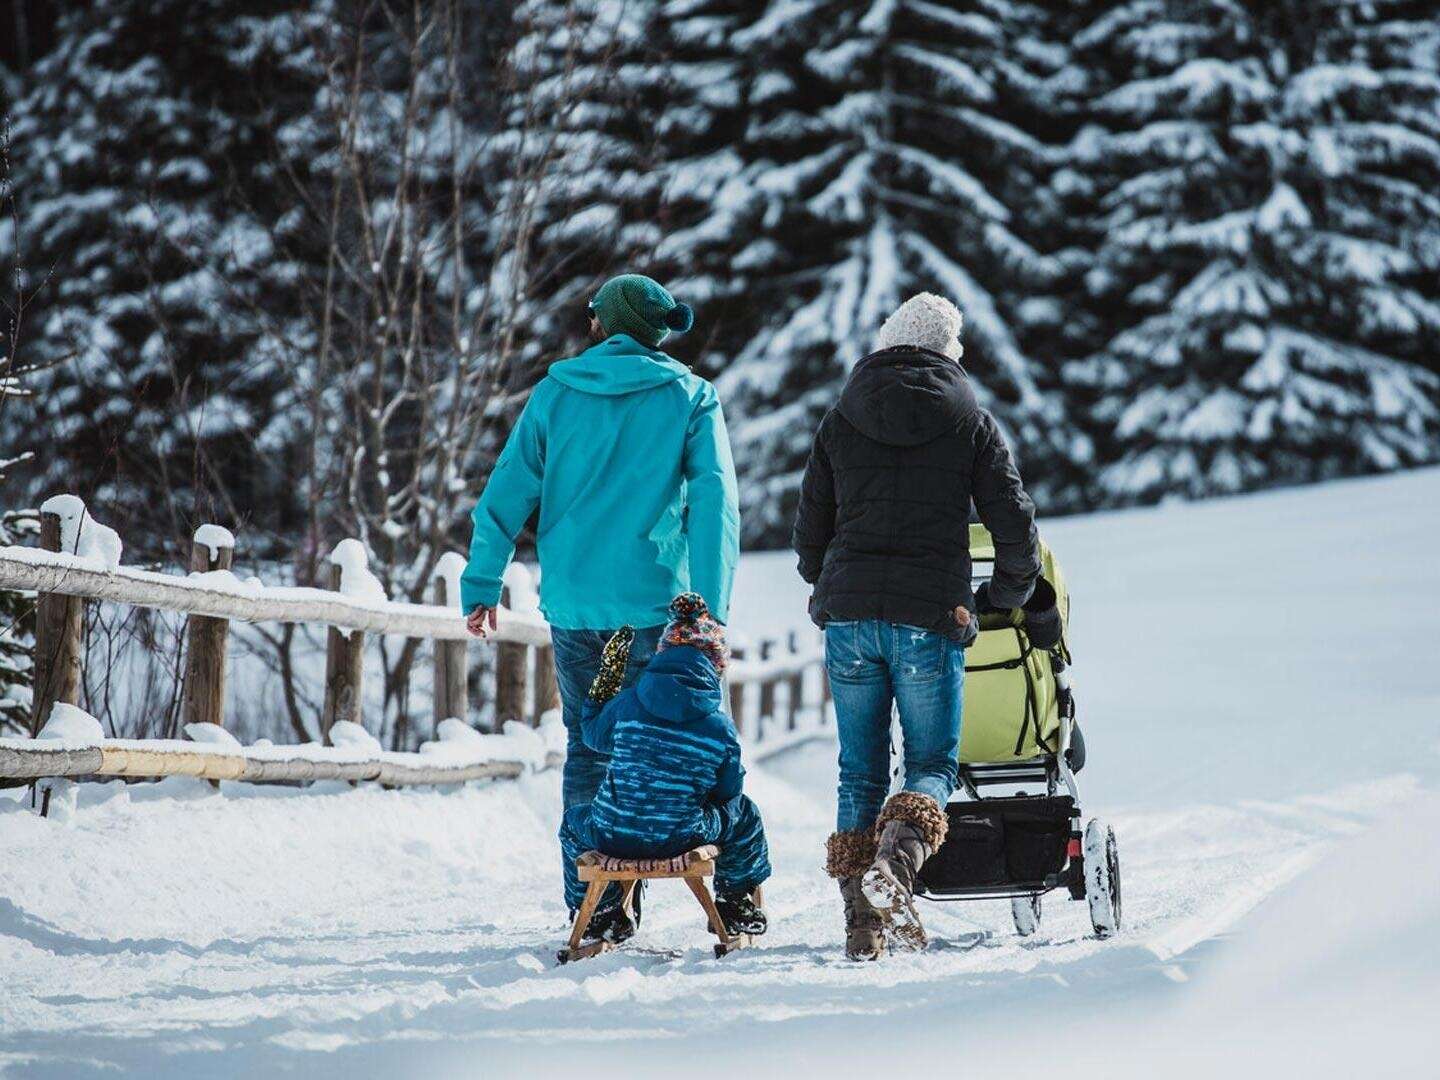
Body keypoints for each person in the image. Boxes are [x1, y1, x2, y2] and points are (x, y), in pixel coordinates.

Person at [460, 273, 740, 926]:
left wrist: (481, 583)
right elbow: (715, 504)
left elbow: (505, 494)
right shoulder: (690, 397)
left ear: (600, 324)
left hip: (588, 617)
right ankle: (728, 887)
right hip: (659, 619)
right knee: (690, 739)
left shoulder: (556, 394)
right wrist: (710, 605)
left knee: (592, 748)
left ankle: (599, 902)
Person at [792, 293, 1042, 958]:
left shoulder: (841, 417)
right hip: (931, 616)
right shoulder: (969, 420)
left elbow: (810, 522)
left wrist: (824, 585)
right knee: (930, 761)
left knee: (859, 771)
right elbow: (1015, 524)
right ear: (949, 352)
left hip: (849, 619)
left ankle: (862, 925)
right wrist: (1006, 593)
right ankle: (895, 867)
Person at [558, 594, 770, 944]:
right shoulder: (718, 727)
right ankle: (734, 901)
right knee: (744, 814)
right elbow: (729, 793)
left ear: (661, 655)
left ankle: (601, 910)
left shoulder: (627, 703)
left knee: (572, 825)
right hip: (681, 836)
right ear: (716, 665)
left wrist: (604, 685)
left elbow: (592, 737)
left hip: (613, 833)